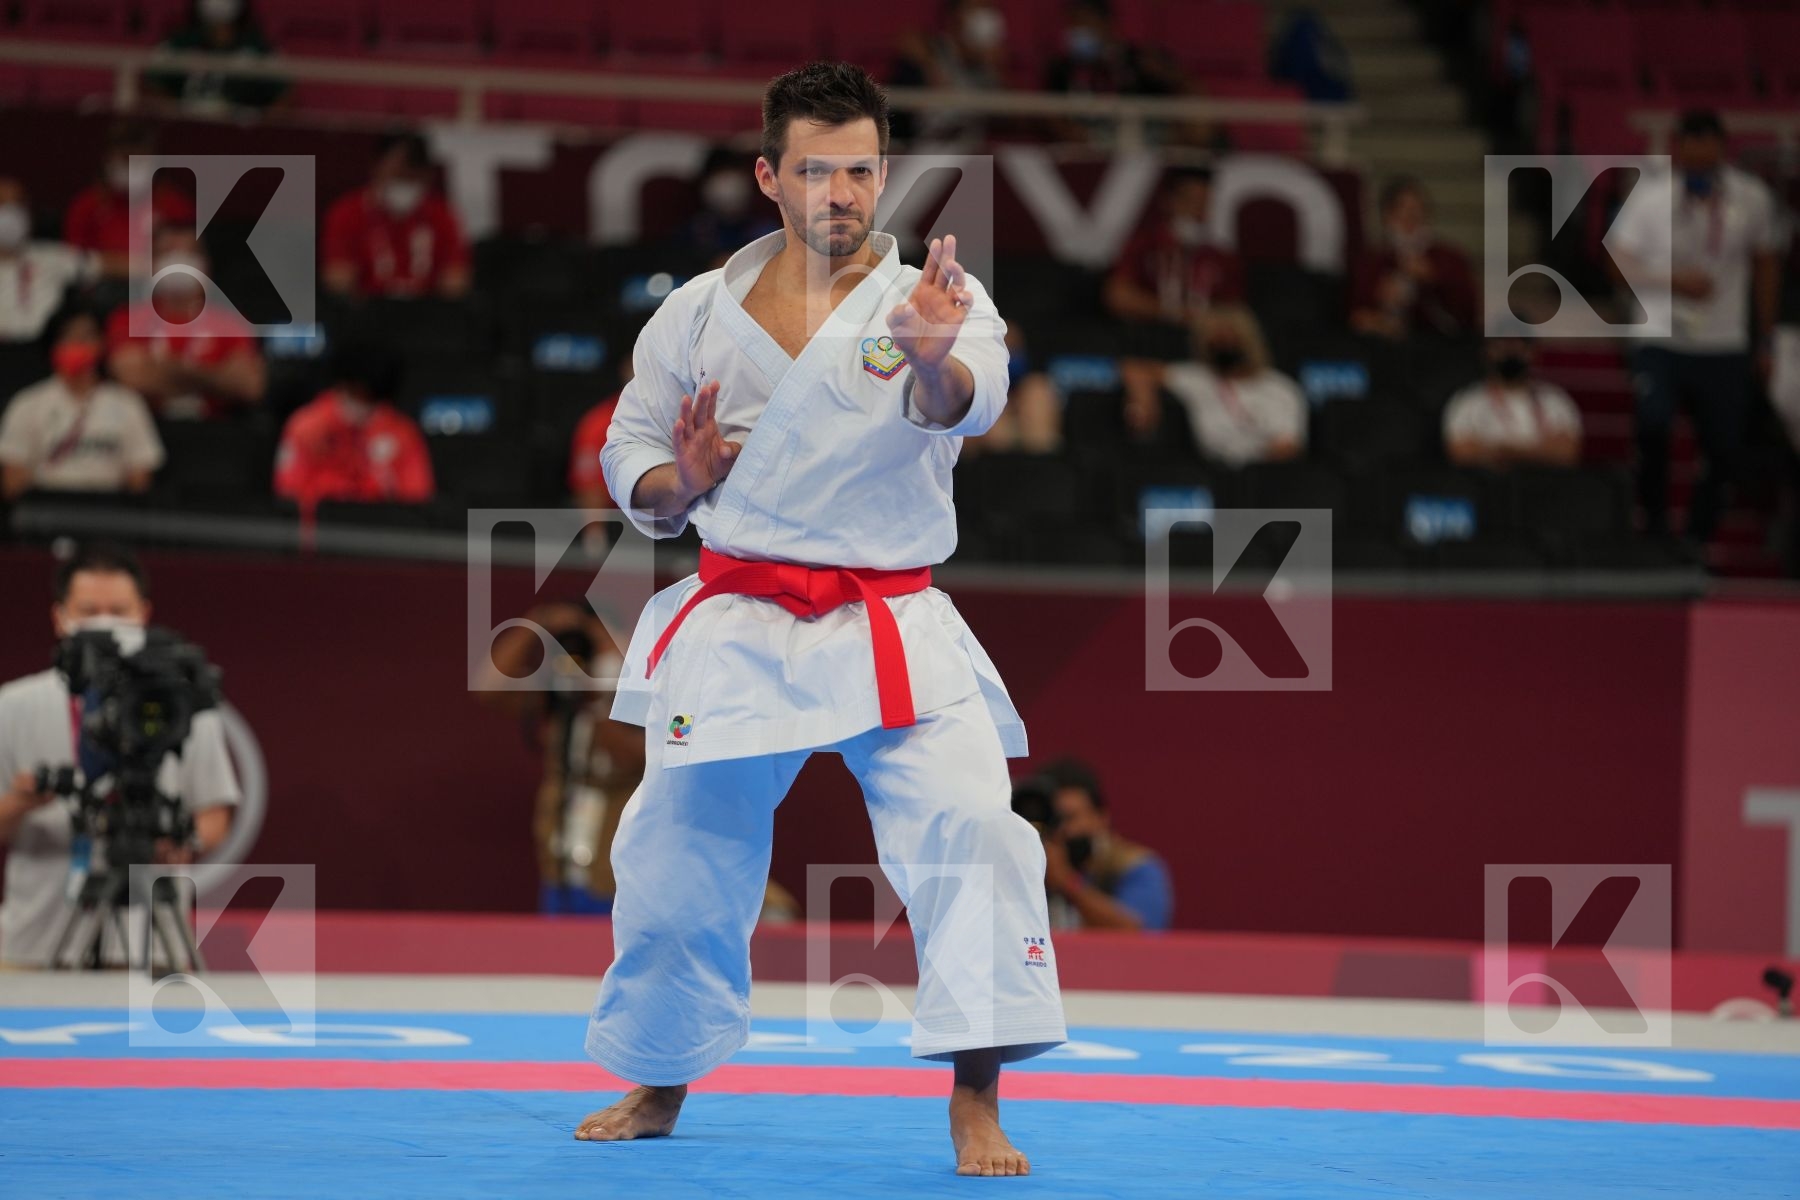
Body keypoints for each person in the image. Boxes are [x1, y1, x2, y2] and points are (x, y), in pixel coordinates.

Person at [577, 62, 1064, 1176]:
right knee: (671, 852)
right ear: (769, 177)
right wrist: (677, 481)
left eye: (859, 171)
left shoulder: (940, 299)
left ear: (883, 174)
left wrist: (937, 362)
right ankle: (660, 1076)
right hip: (743, 611)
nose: (840, 193)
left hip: (891, 619)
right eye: (815, 171)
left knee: (978, 835)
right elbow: (630, 455)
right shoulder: (694, 313)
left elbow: (964, 402)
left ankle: (976, 1097)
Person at [0, 544, 239, 969]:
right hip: (34, 942)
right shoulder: (12, 706)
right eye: (89, 611)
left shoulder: (181, 702)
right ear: (60, 617)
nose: (105, 623)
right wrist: (21, 801)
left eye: (118, 609)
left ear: (144, 613)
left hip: (152, 948)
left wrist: (183, 839)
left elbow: (215, 816)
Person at [1612, 109, 1783, 544]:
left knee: (1725, 447)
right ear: (1677, 153)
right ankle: (1653, 526)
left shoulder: (1751, 198)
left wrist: (1764, 336)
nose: (1700, 173)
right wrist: (1671, 280)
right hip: (1661, 334)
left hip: (1723, 339)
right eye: (1692, 164)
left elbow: (1766, 266)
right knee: (1653, 424)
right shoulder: (1651, 197)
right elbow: (1617, 260)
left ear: (1723, 154)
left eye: (1708, 164)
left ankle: (1695, 539)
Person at [0, 308, 163, 499]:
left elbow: (140, 479)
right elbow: (11, 482)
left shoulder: (128, 403)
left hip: (108, 510)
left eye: (86, 336)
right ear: (54, 346)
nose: (78, 343)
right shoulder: (27, 404)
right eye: (69, 336)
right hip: (47, 508)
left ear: (101, 343)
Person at [107, 226, 266, 420]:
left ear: (205, 265)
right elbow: (132, 378)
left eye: (188, 253)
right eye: (168, 253)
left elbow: (249, 385)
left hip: (217, 430)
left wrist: (161, 370)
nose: (178, 262)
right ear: (152, 264)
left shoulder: (231, 321)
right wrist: (216, 376)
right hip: (148, 426)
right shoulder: (128, 318)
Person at [1120, 305, 1306, 465]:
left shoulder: (1281, 388)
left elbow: (1287, 449)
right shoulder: (1196, 378)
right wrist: (1143, 402)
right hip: (1212, 476)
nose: (1223, 344)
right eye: (1215, 339)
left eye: (1230, 338)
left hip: (1266, 479)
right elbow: (1134, 369)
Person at [273, 332, 434, 509]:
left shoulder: (403, 434)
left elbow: (417, 499)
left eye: (368, 398)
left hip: (378, 529)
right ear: (341, 384)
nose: (359, 404)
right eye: (354, 393)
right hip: (321, 529)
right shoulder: (307, 426)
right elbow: (288, 491)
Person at [1016, 759, 1172, 932]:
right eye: (1050, 819)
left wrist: (1067, 882)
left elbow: (1140, 932)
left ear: (1101, 818)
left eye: (1069, 818)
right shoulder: (1023, 868)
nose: (1060, 830)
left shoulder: (1135, 867)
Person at [322, 133, 471, 300]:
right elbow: (338, 280)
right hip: (366, 313)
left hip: (427, 315)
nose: (405, 185)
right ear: (376, 167)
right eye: (398, 176)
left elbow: (456, 281)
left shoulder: (443, 215)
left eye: (413, 178)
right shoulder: (347, 213)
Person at [1104, 167, 1245, 335]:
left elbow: (1235, 311)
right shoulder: (1144, 245)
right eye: (1192, 202)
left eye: (1206, 205)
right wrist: (1176, 313)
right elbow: (1119, 297)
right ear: (1169, 202)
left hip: (1204, 342)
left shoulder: (1221, 256)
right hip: (1147, 337)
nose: (1199, 213)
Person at [62, 122, 198, 282]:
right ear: (108, 161)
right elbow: (73, 263)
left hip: (159, 290)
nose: (133, 167)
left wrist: (109, 263)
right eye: (126, 159)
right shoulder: (86, 206)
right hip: (101, 290)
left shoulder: (174, 205)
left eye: (140, 161)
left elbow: (190, 262)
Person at [1350, 177, 1477, 341]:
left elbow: (1468, 312)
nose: (1411, 218)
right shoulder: (1372, 260)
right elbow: (1355, 313)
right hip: (1384, 347)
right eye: (1403, 211)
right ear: (1387, 216)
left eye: (1418, 211)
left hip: (1438, 346)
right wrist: (1380, 303)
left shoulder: (1448, 258)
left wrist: (1433, 277)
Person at [1442, 338, 1582, 469]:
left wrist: (1503, 452)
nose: (1510, 351)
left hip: (1546, 489)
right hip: (1485, 489)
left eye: (1518, 345)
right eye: (1503, 345)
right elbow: (1461, 453)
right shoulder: (1467, 401)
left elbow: (1567, 453)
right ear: (1487, 351)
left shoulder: (1555, 400)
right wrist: (1539, 452)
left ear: (1532, 352)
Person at [891, 0, 1008, 143]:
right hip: (924, 149)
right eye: (975, 9)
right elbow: (908, 40)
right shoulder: (932, 50)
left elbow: (1011, 116)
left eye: (987, 8)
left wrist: (997, 68)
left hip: (972, 154)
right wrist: (931, 67)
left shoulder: (989, 65)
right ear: (955, 16)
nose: (984, 17)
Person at [0, 178, 97, 346]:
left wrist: (157, 264)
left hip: (44, 351)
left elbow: (108, 264)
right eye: (2, 204)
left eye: (17, 204)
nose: (9, 214)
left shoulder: (52, 256)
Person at [145, 0, 287, 113]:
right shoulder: (181, 42)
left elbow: (285, 96)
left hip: (242, 137)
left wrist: (259, 132)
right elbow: (152, 85)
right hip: (187, 132)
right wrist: (175, 117)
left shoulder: (257, 47)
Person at [680, 149, 780, 270]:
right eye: (720, 174)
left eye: (733, 174)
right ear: (705, 183)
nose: (727, 185)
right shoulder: (694, 230)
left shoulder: (767, 232)